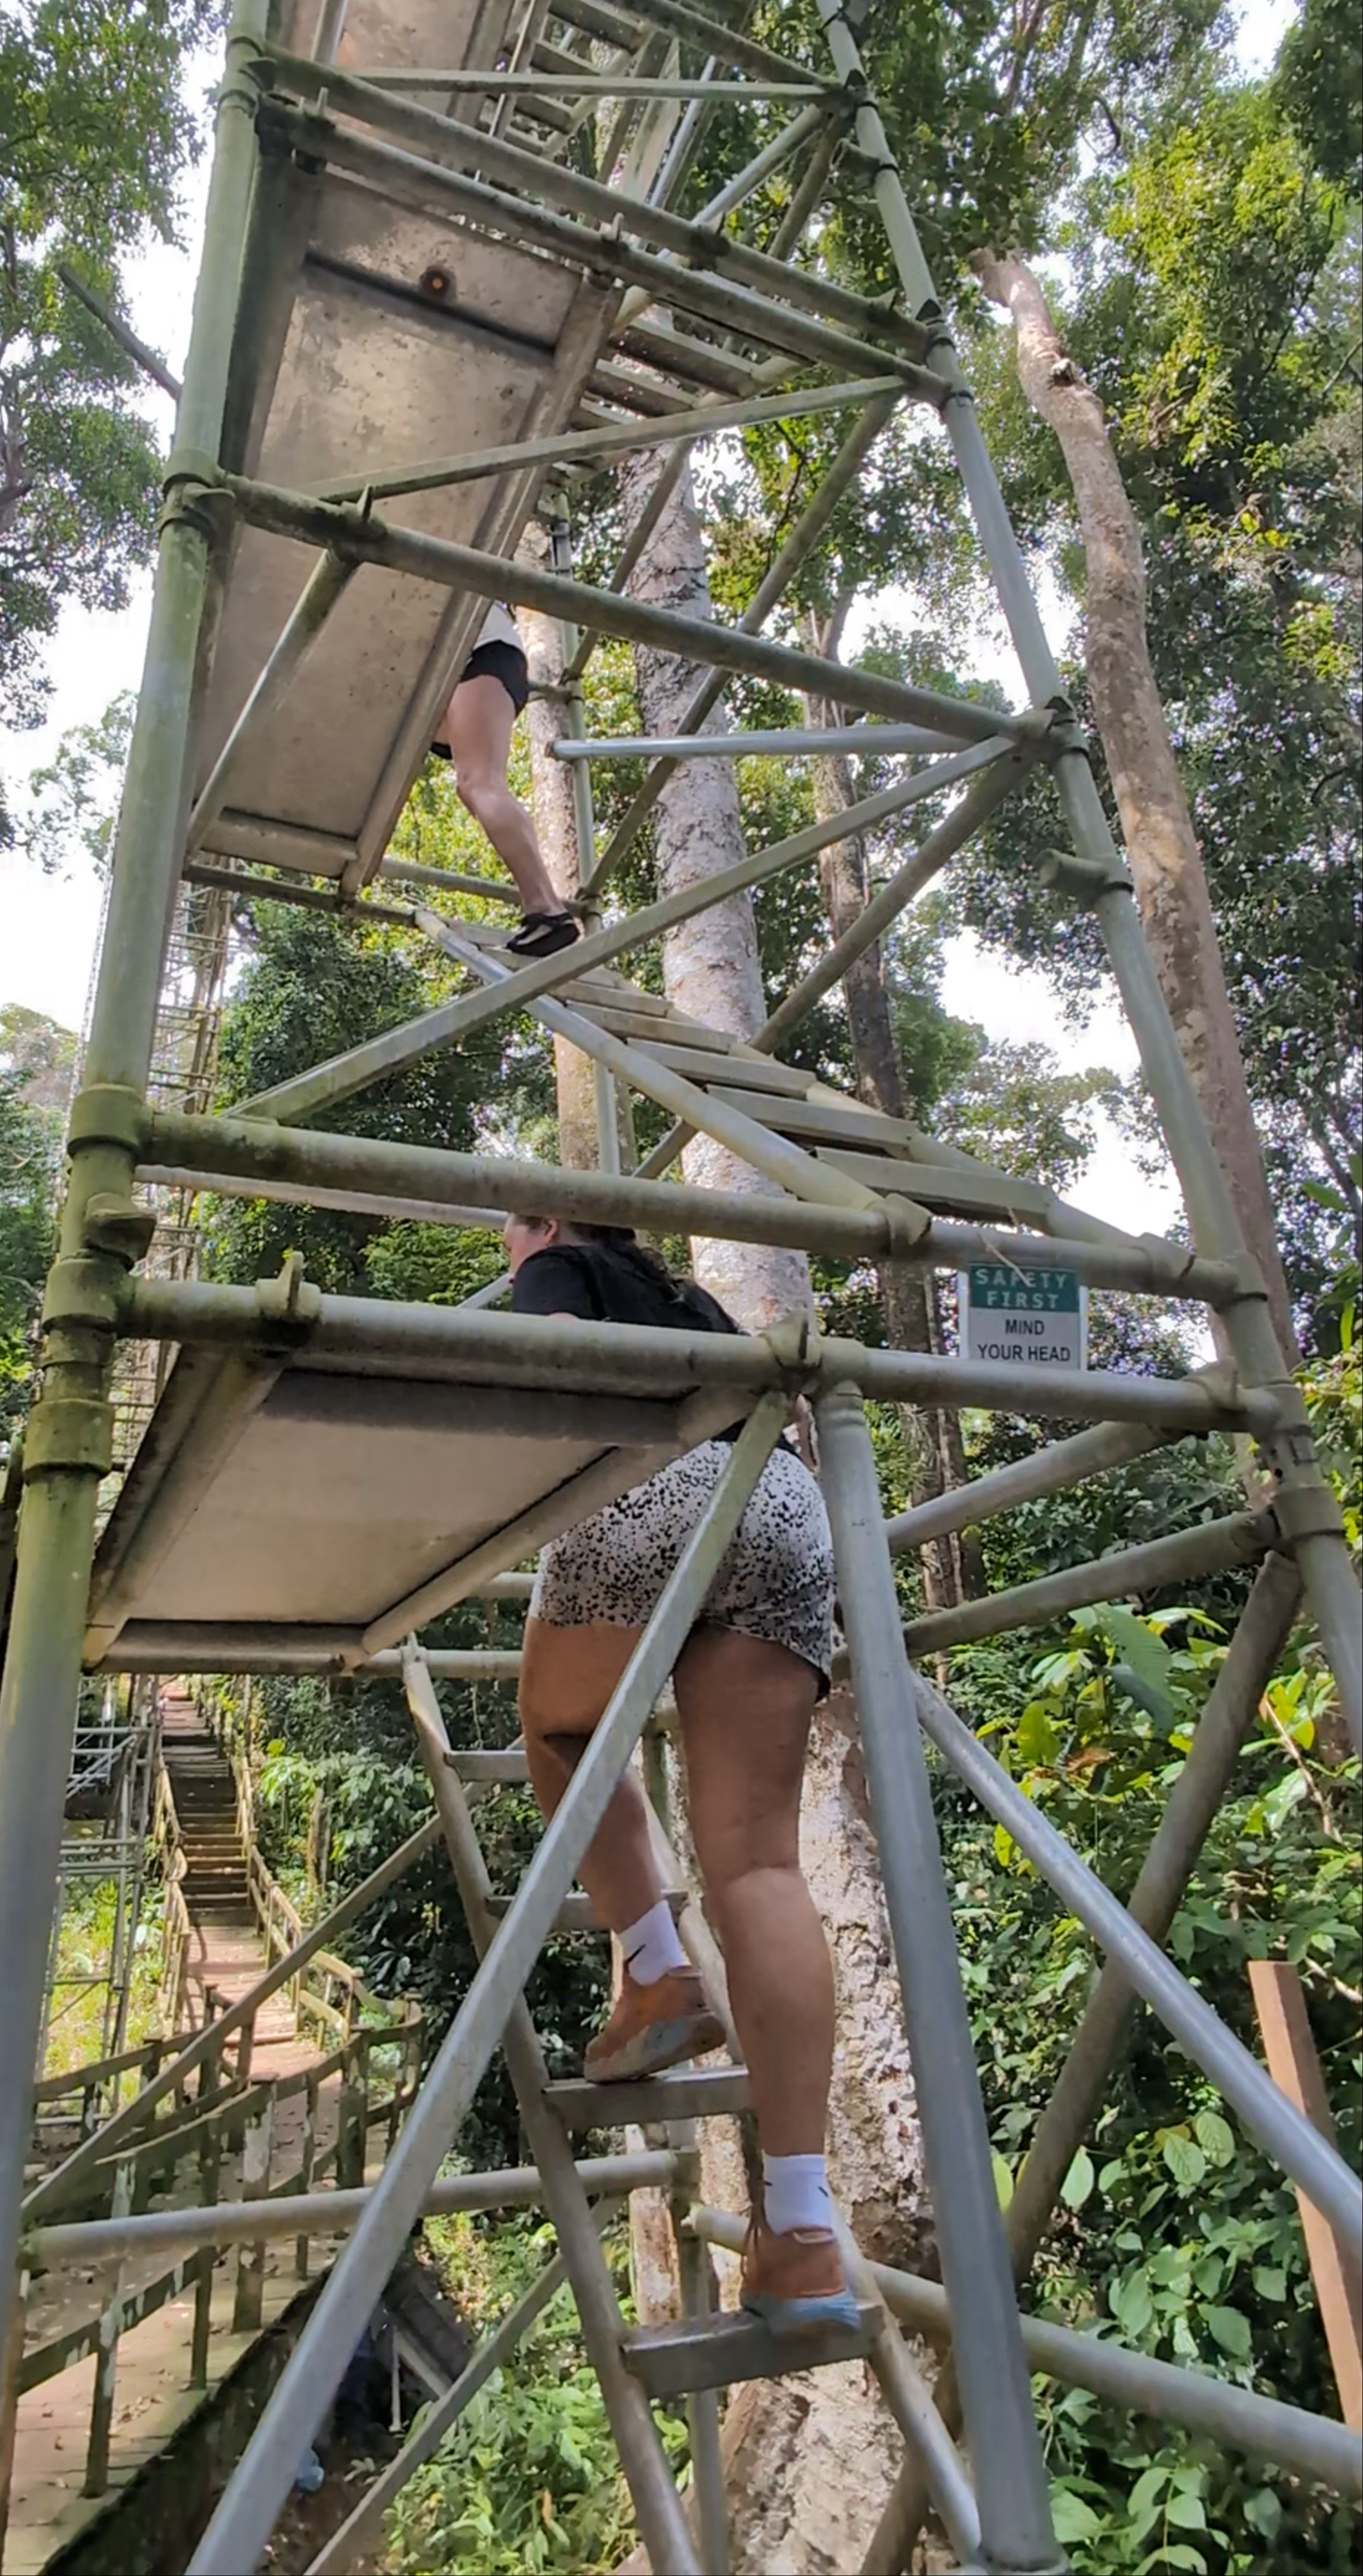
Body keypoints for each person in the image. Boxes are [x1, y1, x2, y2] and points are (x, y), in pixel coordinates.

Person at [504, 1212, 858, 2339]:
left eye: (509, 1236)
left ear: (542, 1221)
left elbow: (551, 1363)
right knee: (757, 1862)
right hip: (782, 1499)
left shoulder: (561, 1261)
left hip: (653, 1489)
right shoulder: (689, 1300)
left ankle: (655, 1969)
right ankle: (800, 2231)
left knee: (559, 1729)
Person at [430, 605, 581, 959]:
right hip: (486, 655)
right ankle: (544, 906)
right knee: (478, 787)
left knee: (481, 784)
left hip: (480, 651)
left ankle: (549, 911)